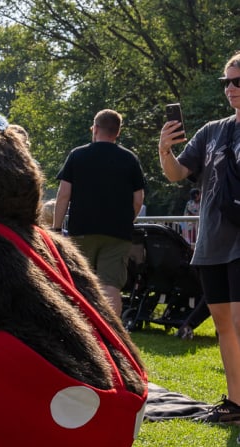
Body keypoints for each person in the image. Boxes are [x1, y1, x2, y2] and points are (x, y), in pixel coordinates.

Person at [158, 51, 240, 423]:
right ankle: (236, 404)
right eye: (226, 82)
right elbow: (176, 174)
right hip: (212, 241)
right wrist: (165, 150)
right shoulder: (212, 131)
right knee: (224, 325)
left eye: (237, 82)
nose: (231, 89)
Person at [52, 109, 145, 316]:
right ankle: (112, 334)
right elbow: (138, 199)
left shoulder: (77, 155)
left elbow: (63, 195)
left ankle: (82, 331)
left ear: (94, 129)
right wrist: (127, 220)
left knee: (80, 283)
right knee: (110, 285)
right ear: (118, 132)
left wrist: (57, 228)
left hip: (82, 229)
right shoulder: (129, 159)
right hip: (117, 233)